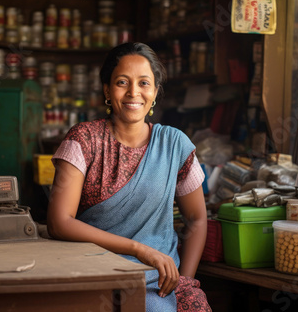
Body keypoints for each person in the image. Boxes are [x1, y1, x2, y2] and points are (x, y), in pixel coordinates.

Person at [47, 42, 211, 311]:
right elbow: (58, 222)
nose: (134, 92)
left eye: (144, 83)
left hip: (160, 281)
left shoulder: (175, 144)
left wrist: (185, 280)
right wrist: (139, 249)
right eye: (122, 82)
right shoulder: (83, 140)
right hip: (97, 276)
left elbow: (196, 218)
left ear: (155, 91)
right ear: (107, 90)